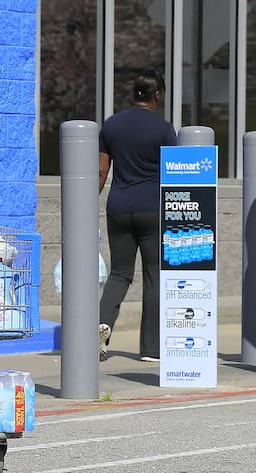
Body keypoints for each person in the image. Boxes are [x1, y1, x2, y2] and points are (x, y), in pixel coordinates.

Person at [97, 70, 177, 363]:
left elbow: (101, 173)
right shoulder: (164, 129)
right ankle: (152, 349)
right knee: (154, 275)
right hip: (153, 209)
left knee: (120, 273)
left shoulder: (112, 126)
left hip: (119, 207)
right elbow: (173, 175)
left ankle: (102, 326)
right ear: (157, 95)